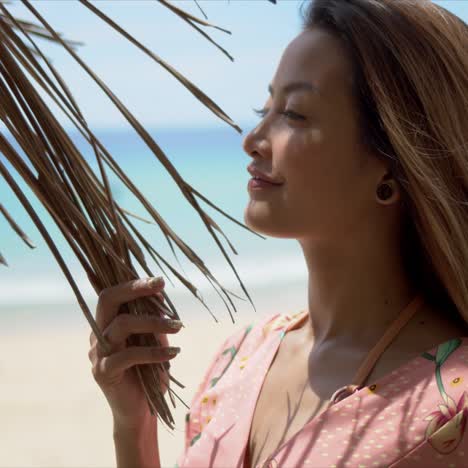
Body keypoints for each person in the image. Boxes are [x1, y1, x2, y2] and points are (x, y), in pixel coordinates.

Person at [88, 0, 468, 467]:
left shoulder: (453, 405)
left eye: (295, 114)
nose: (252, 138)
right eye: (264, 108)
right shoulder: (238, 359)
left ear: (391, 164)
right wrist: (135, 425)